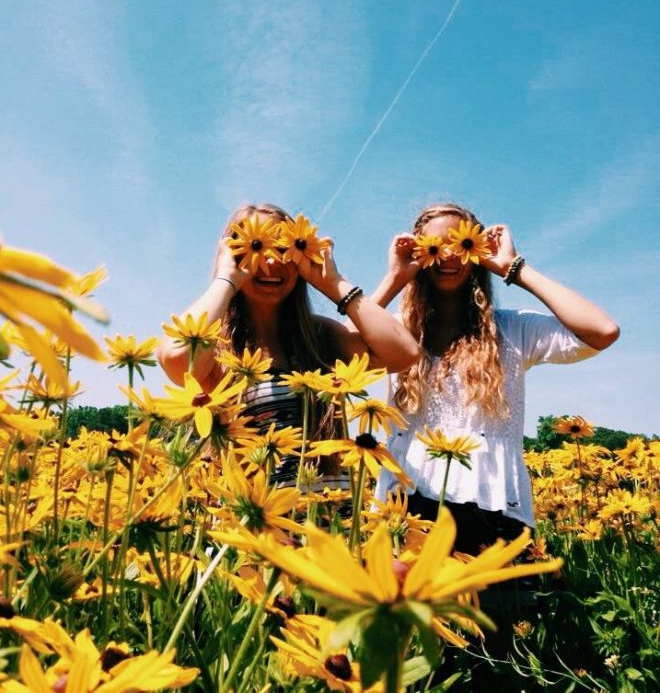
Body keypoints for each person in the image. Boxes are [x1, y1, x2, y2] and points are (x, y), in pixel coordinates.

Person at [372, 202, 619, 686]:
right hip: (408, 505)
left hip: (493, 508)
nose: (448, 255)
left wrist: (515, 268)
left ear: (478, 250)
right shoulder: (397, 334)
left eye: (461, 243)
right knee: (406, 661)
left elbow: (602, 331)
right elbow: (339, 350)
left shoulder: (511, 329)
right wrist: (394, 280)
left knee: (491, 659)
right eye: (434, 246)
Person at [158, 203, 421, 487]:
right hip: (264, 522)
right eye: (257, 248)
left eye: (284, 250)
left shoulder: (317, 335)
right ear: (232, 256)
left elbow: (403, 352)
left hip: (334, 518)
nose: (272, 262)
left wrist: (333, 283)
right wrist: (226, 279)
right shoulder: (218, 346)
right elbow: (179, 358)